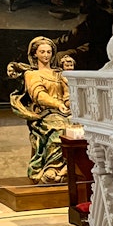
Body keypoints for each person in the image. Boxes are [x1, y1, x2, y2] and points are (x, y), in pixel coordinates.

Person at [8, 36, 73, 183]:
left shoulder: (60, 73)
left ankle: (73, 168)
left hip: (65, 111)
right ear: (35, 54)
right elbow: (39, 95)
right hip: (44, 114)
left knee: (79, 127)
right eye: (42, 52)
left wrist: (68, 103)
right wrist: (58, 104)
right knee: (60, 127)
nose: (46, 55)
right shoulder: (32, 74)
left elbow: (68, 92)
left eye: (49, 52)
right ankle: (52, 168)